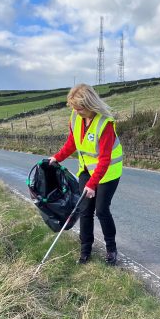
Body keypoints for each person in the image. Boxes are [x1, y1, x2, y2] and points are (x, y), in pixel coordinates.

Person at [49, 83, 123, 265]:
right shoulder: (75, 117)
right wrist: (57, 158)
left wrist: (92, 184)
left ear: (90, 104)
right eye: (74, 108)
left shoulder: (105, 123)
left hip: (108, 172)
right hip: (87, 170)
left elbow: (105, 159)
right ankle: (85, 251)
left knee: (102, 210)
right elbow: (72, 143)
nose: (76, 111)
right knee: (85, 210)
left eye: (79, 108)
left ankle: (111, 250)